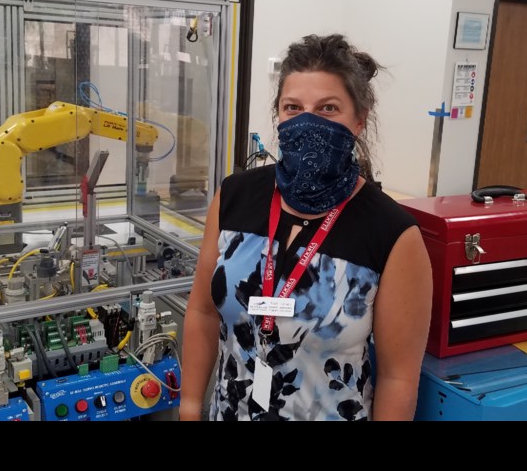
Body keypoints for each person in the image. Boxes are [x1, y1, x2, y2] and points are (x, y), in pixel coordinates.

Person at [181, 34, 433, 421]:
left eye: (328, 108)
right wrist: (189, 406)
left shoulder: (392, 233)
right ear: (278, 115)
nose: (308, 121)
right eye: (293, 107)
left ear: (359, 121)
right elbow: (201, 312)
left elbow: (399, 378)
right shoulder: (235, 196)